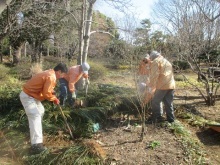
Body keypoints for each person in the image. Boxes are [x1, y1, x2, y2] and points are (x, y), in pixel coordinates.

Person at [19, 63, 68, 154]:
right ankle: (36, 145)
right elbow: (46, 93)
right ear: (59, 71)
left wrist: (52, 92)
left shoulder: (50, 72)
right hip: (28, 96)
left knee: (41, 111)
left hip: (34, 96)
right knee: (35, 115)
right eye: (63, 74)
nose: (63, 76)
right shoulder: (51, 76)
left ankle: (35, 132)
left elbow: (45, 87)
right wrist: (54, 99)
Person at [145, 51, 176, 123]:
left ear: (152, 57)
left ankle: (157, 118)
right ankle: (171, 120)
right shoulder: (166, 61)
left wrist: (151, 86)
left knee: (155, 101)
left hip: (162, 85)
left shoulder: (156, 61)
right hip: (171, 84)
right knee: (168, 102)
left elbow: (154, 75)